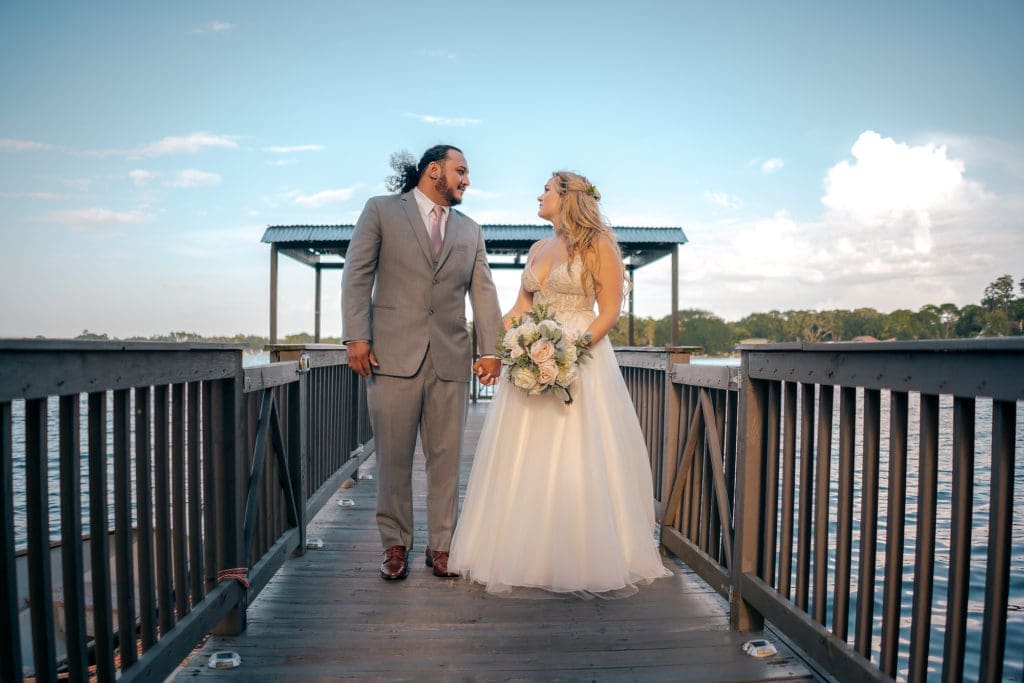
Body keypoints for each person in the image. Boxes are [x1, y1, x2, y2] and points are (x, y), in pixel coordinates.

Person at [449, 170, 672, 598]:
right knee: (525, 452)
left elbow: (608, 311)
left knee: (576, 452)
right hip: (532, 354)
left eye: (546, 189)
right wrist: (496, 347)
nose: (539, 194)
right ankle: (523, 551)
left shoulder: (599, 245)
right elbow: (520, 307)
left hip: (581, 357)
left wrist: (570, 350)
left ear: (566, 197)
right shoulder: (538, 247)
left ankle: (585, 553)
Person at [342, 145, 503, 581]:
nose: (467, 180)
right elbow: (357, 273)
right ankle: (395, 545)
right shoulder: (380, 211)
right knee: (392, 457)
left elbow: (483, 291)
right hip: (390, 356)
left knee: (446, 459)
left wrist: (491, 349)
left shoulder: (471, 230)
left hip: (450, 358)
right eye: (461, 171)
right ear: (434, 171)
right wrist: (356, 336)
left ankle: (442, 547)